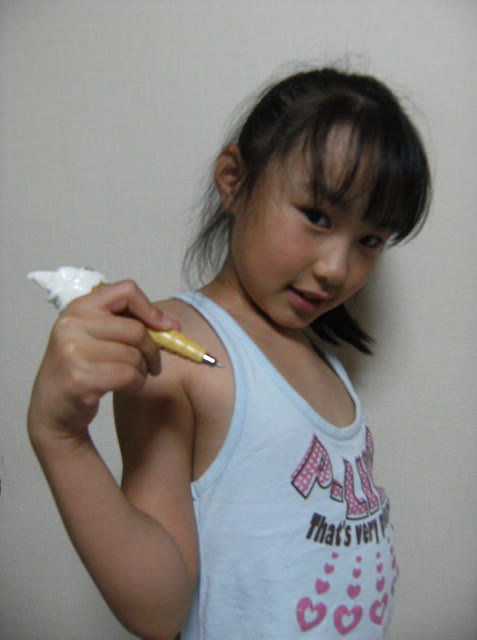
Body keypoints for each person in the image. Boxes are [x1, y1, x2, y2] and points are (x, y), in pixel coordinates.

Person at [27, 67, 431, 639]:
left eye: (369, 240)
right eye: (317, 217)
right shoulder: (178, 348)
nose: (336, 268)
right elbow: (158, 611)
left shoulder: (325, 365)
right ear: (235, 181)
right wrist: (61, 439)